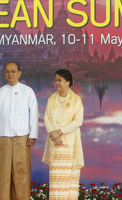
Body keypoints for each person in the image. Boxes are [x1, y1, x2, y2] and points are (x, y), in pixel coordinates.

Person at [0, 61, 38, 200]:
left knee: (21, 172)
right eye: (7, 71)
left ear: (19, 73)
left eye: (13, 71)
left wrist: (33, 134)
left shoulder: (27, 91)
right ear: (4, 74)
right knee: (4, 172)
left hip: (23, 137)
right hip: (4, 136)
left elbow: (34, 114)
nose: (10, 74)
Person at [42, 69, 84, 200]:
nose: (57, 83)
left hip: (70, 143)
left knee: (70, 180)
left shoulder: (76, 100)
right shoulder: (51, 99)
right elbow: (47, 118)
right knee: (56, 179)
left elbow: (78, 121)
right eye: (55, 80)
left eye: (60, 80)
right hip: (55, 142)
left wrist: (59, 132)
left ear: (68, 82)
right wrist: (54, 135)